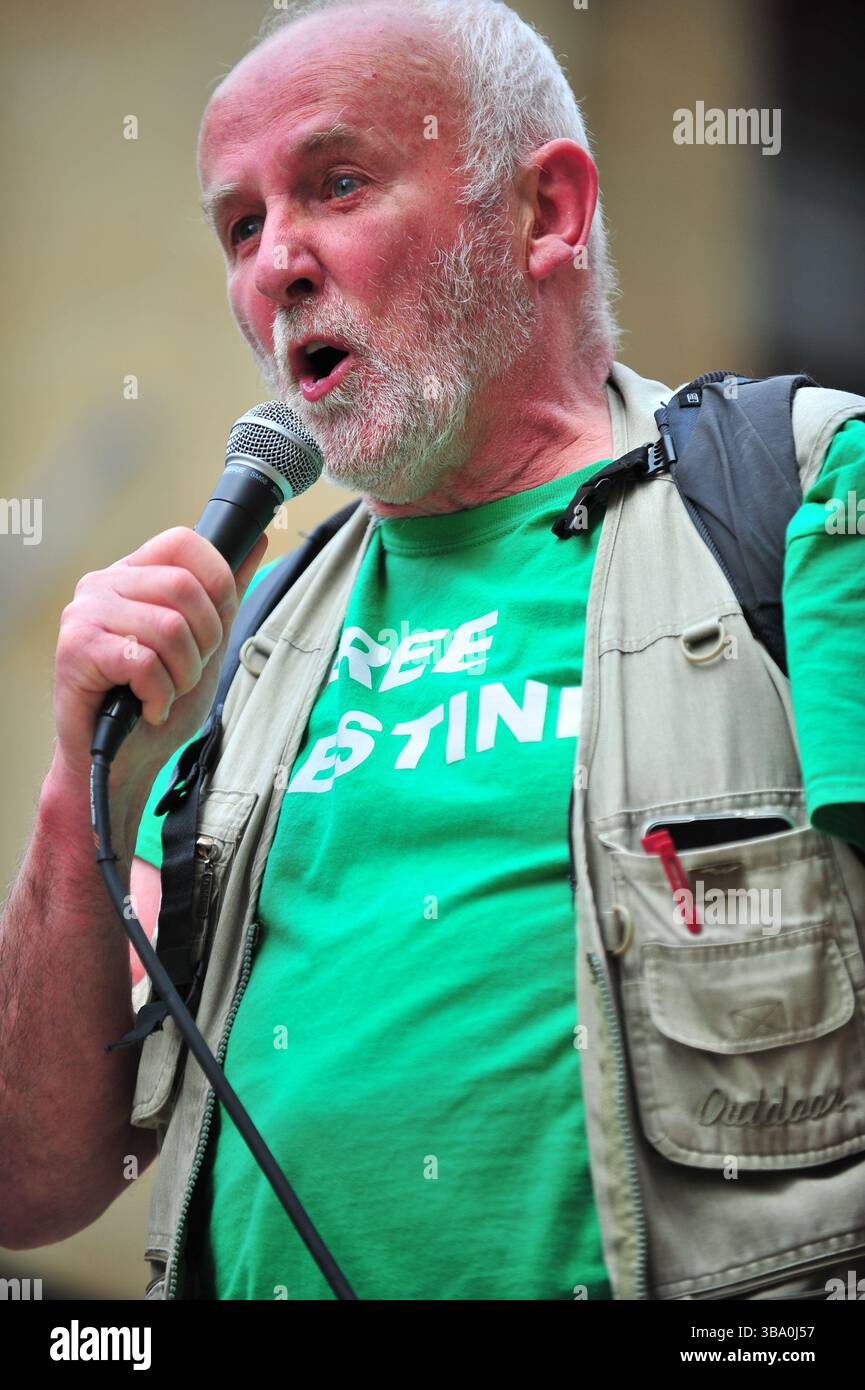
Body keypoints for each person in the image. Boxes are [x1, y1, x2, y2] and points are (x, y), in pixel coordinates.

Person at [1, 0, 864, 1302]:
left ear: (545, 214)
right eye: (239, 225)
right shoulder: (250, 644)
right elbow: (37, 1179)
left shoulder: (798, 495)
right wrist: (83, 775)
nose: (274, 262)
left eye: (335, 183)